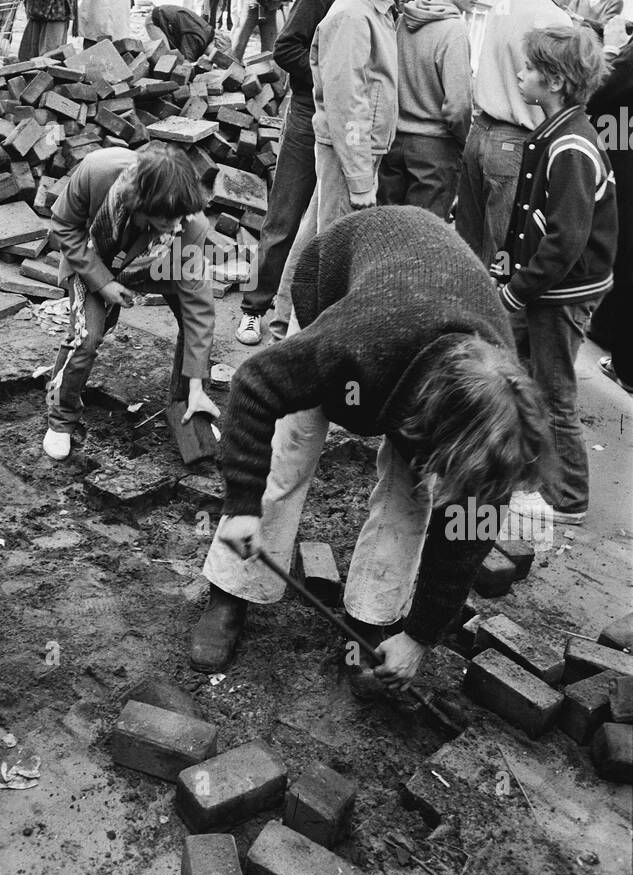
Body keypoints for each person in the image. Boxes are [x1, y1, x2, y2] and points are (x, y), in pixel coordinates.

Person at [190, 207, 550, 675]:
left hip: (434, 315)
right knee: (292, 447)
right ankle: (232, 590)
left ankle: (373, 621)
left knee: (413, 494)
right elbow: (254, 386)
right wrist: (241, 506)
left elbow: (468, 529)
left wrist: (420, 637)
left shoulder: (495, 422)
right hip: (342, 280)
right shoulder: (356, 341)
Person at [235, 0, 406, 347]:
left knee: (313, 229)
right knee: (287, 218)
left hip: (342, 126)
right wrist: (328, 79)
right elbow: (289, 49)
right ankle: (260, 311)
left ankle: (282, 324)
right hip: (316, 119)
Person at [496, 27, 617, 527]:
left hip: (562, 293)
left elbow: (565, 238)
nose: (519, 75)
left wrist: (518, 291)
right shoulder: (556, 131)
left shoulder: (571, 147)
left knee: (555, 392)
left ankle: (568, 498)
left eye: (527, 69)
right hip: (548, 286)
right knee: (529, 378)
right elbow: (528, 213)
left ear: (554, 81)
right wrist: (508, 262)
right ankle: (528, 475)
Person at [456, 0, 616, 269]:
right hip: (516, 145)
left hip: (479, 136)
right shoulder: (554, 22)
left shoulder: (508, 2)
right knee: (504, 261)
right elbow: (579, 95)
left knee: (467, 257)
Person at [43, 144, 219, 461]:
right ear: (140, 205)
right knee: (87, 336)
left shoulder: (188, 227)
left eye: (180, 217)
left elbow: (198, 310)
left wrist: (197, 385)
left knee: (192, 327)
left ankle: (187, 408)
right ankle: (61, 419)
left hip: (158, 263)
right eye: (167, 219)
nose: (177, 223)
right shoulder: (97, 171)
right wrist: (104, 282)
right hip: (93, 256)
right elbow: (63, 226)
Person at [311, 0, 415, 230]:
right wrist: (358, 176)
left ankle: (291, 284)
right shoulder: (354, 15)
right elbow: (346, 100)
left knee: (316, 238)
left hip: (355, 145)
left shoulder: (376, 6)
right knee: (335, 245)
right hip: (350, 148)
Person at [378, 0, 490, 219]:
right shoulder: (454, 30)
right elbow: (458, 106)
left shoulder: (402, 20)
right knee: (420, 245)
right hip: (434, 152)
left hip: (393, 143)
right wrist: (464, 143)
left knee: (385, 234)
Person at [587, 29, 633, 393]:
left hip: (623, 155)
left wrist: (614, 48)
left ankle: (614, 343)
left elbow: (602, 93)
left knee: (621, 247)